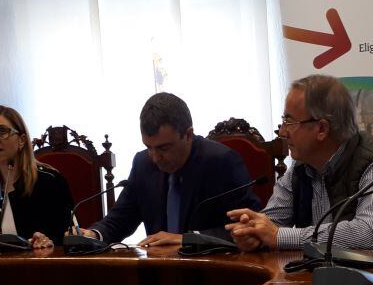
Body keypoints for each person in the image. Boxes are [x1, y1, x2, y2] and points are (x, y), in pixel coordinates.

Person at [226, 74, 373, 254]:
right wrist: (252, 233)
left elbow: (366, 233)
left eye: (290, 121)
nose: (282, 132)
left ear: (321, 128)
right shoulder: (301, 166)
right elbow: (272, 223)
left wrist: (278, 236)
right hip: (332, 277)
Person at [75, 92, 260, 248]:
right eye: (149, 147)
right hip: (160, 275)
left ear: (188, 134)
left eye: (163, 148)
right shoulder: (143, 164)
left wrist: (186, 240)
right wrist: (93, 235)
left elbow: (250, 227)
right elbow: (120, 219)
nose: (155, 158)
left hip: (214, 274)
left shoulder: (221, 162)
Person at [0, 105, 74, 249]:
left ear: (22, 140)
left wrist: (46, 242)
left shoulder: (50, 181)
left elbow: (69, 237)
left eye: (2, 131)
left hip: (44, 266)